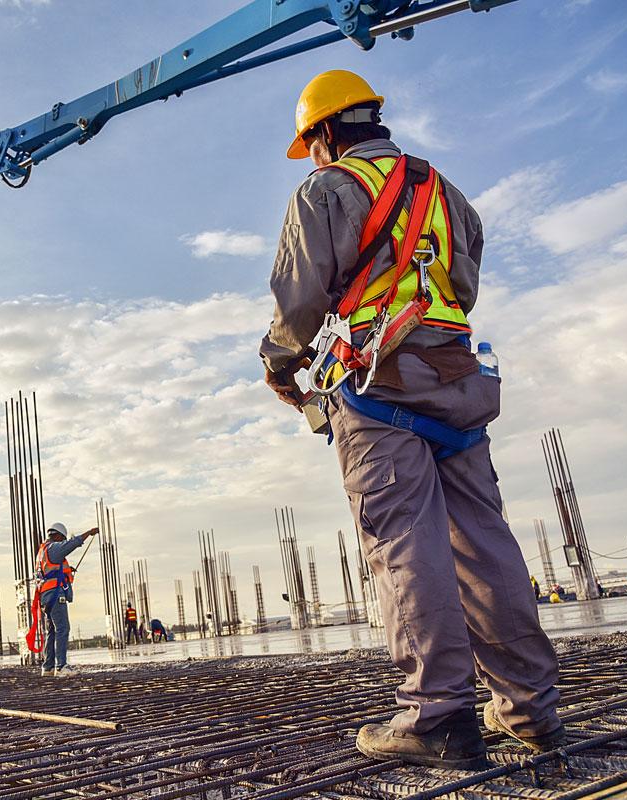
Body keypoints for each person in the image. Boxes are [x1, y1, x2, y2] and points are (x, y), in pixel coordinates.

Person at [260, 70, 563, 768]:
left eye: (310, 142)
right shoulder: (446, 193)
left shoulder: (326, 190)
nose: (310, 156)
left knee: (405, 544)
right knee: (485, 544)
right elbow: (462, 284)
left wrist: (278, 365)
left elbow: (300, 300)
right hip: (456, 378)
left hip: (377, 386)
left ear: (327, 131)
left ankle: (438, 715)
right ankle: (532, 710)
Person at [33, 522, 98, 677]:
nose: (62, 541)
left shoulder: (42, 551)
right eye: (62, 539)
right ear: (57, 536)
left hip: (45, 597)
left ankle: (48, 667)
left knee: (52, 631)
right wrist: (88, 532)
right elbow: (71, 544)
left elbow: (51, 571)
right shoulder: (54, 548)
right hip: (55, 595)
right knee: (63, 629)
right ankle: (61, 666)